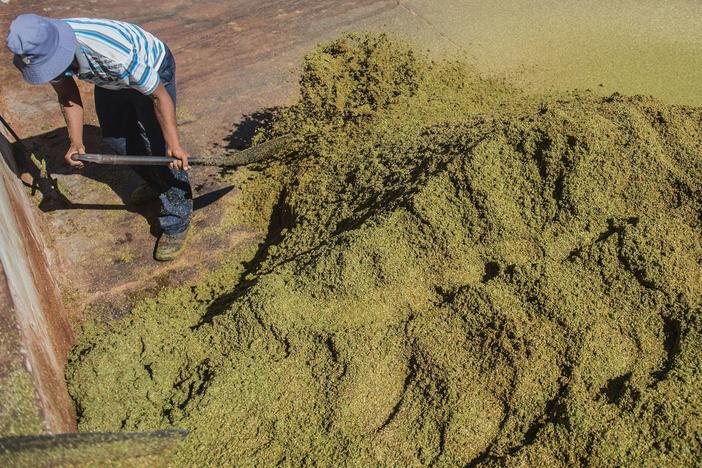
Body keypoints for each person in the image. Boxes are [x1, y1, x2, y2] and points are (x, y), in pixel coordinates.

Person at [6, 14, 192, 261]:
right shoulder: (45, 46)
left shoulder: (114, 56)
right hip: (110, 82)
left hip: (151, 70)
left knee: (161, 150)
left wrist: (174, 145)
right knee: (117, 140)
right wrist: (76, 141)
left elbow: (159, 97)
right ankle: (157, 185)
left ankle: (177, 219)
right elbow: (67, 93)